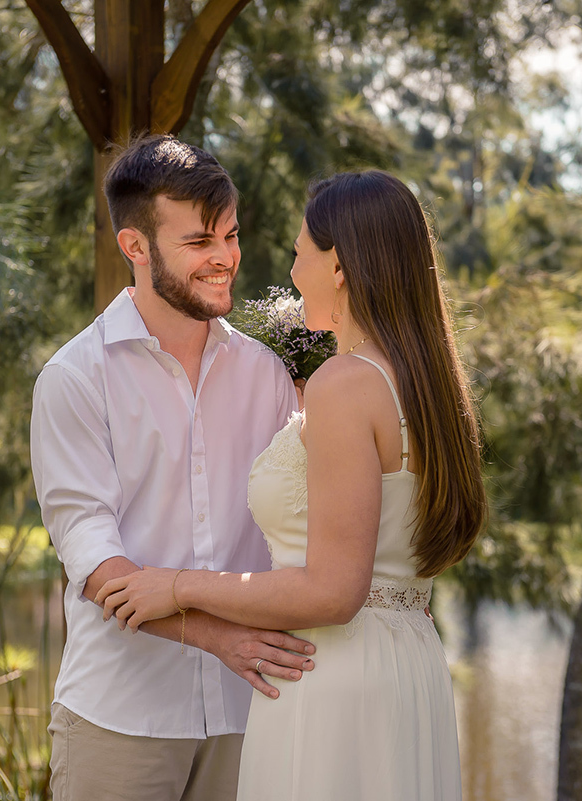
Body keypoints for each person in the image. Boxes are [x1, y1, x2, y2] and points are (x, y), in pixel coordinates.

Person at [97, 169, 489, 800]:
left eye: (300, 252)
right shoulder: (427, 383)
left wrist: (175, 585)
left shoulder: (347, 382)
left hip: (332, 675)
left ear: (339, 266)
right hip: (409, 664)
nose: (292, 267)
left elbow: (334, 591)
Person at [29, 135, 317, 801]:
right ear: (135, 246)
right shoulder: (76, 379)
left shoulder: (268, 375)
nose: (225, 259)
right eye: (199, 243)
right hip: (120, 719)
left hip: (253, 714)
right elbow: (100, 567)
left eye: (231, 235)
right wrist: (218, 637)